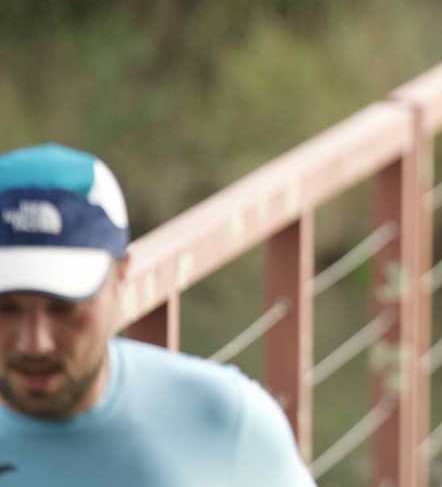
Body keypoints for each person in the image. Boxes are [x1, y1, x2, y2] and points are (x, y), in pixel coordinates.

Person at [0, 143, 316, 486]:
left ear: (122, 274)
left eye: (64, 308)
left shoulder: (226, 421)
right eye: (5, 308)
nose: (34, 344)